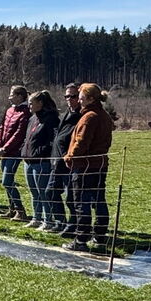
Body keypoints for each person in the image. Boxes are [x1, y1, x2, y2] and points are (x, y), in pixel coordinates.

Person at [63, 83, 116, 249]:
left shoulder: (89, 117)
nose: (79, 100)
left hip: (85, 166)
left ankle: (81, 240)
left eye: (81, 98)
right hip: (100, 165)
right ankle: (100, 237)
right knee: (99, 200)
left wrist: (70, 157)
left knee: (82, 203)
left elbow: (81, 142)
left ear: (91, 99)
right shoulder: (104, 116)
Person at [22, 90, 63, 231]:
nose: (29, 106)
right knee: (34, 192)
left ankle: (48, 220)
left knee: (43, 192)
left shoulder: (51, 119)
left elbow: (53, 141)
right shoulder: (32, 119)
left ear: (40, 103)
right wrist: (24, 150)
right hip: (28, 161)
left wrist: (39, 152)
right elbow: (27, 138)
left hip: (41, 162)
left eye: (31, 103)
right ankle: (36, 217)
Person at [47, 83, 83, 237]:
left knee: (71, 197)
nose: (69, 99)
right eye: (67, 96)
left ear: (80, 97)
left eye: (73, 96)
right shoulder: (65, 114)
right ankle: (60, 221)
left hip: (69, 162)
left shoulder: (81, 116)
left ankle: (73, 224)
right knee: (50, 192)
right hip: (56, 161)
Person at [0, 85, 31, 218]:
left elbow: (19, 134)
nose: (9, 97)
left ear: (20, 96)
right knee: (7, 182)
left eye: (12, 94)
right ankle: (12, 209)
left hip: (14, 153)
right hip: (3, 152)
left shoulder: (25, 112)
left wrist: (5, 148)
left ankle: (20, 209)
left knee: (7, 181)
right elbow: (2, 127)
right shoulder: (10, 110)